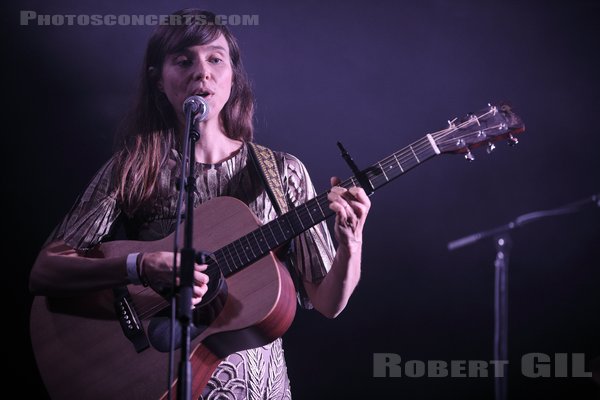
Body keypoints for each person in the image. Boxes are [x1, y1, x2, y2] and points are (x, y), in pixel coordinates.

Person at [29, 8, 371, 400]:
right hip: (165, 384)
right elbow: (45, 271)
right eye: (183, 60)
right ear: (159, 80)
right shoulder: (136, 166)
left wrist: (352, 243)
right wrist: (138, 266)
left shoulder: (282, 172)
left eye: (215, 59)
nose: (201, 72)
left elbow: (328, 302)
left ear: (232, 76)